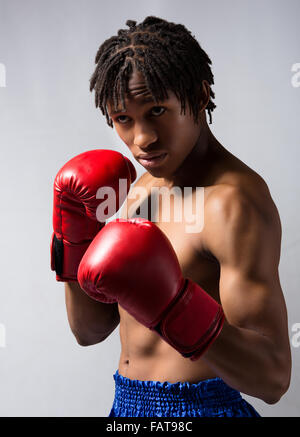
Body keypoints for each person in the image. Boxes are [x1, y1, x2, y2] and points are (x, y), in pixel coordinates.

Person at [52, 16, 291, 417]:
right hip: (125, 408)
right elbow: (89, 331)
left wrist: (173, 307)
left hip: (202, 410)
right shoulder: (140, 190)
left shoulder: (232, 204)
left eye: (157, 110)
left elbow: (273, 380)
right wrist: (72, 238)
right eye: (123, 119)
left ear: (199, 96)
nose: (142, 139)